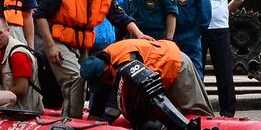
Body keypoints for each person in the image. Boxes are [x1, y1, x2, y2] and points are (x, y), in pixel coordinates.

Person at [34, 0, 151, 118]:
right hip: (60, 41)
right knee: (75, 78)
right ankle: (71, 123)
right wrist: (50, 46)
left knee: (87, 80)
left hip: (83, 44)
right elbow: (41, 15)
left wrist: (139, 34)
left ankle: (80, 117)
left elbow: (120, 17)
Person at [79, 38, 213, 119]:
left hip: (175, 64)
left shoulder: (125, 62)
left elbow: (116, 103)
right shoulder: (104, 66)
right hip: (158, 77)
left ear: (104, 70)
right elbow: (99, 101)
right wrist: (93, 126)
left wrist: (105, 126)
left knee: (196, 111)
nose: (101, 83)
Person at [194, 0, 243, 117]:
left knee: (224, 72)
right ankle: (199, 111)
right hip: (200, 31)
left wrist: (225, 11)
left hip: (219, 30)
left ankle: (228, 112)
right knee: (197, 74)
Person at [0, 15, 43, 113]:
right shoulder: (2, 52)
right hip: (15, 108)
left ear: (8, 30)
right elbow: (6, 79)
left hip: (26, 111)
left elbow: (21, 89)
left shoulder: (18, 54)